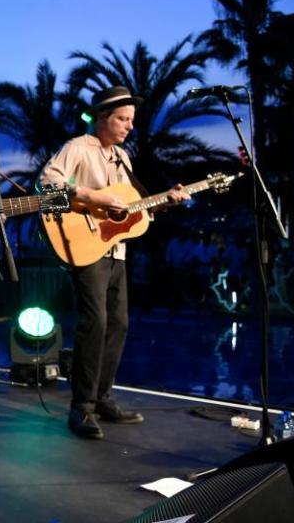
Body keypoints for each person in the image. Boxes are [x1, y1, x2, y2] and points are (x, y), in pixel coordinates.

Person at [39, 86, 190, 440]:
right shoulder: (78, 147)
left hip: (115, 250)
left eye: (131, 120)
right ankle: (82, 408)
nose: (128, 126)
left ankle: (103, 397)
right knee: (96, 322)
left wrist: (164, 201)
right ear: (103, 119)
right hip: (85, 248)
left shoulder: (123, 158)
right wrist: (93, 196)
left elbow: (130, 209)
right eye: (122, 119)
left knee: (118, 323)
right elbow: (46, 190)